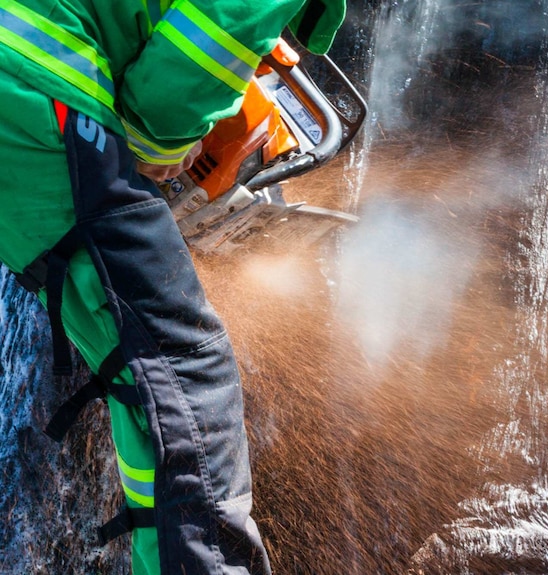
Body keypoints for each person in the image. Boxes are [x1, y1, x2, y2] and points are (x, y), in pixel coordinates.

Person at [0, 0, 346, 573]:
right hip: (33, 85)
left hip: (27, 104)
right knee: (187, 377)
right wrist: (161, 148)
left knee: (139, 381)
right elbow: (204, 46)